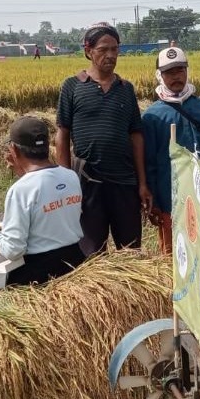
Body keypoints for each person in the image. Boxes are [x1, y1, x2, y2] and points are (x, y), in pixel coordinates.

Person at [55, 22, 152, 253]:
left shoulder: (125, 89)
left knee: (130, 251)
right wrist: (67, 184)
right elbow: (62, 135)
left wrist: (142, 184)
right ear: (88, 51)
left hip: (124, 182)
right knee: (90, 253)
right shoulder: (72, 86)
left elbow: (136, 136)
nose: (110, 55)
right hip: (88, 183)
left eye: (115, 49)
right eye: (103, 49)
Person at [141, 47, 200, 253]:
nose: (176, 77)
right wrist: (155, 201)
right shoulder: (153, 116)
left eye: (180, 70)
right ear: (160, 76)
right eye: (169, 73)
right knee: (174, 253)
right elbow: (149, 161)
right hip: (170, 196)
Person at [0, 116, 86, 284]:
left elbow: (13, 251)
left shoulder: (20, 190)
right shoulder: (71, 176)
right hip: (75, 260)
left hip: (40, 272)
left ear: (14, 150)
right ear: (47, 146)